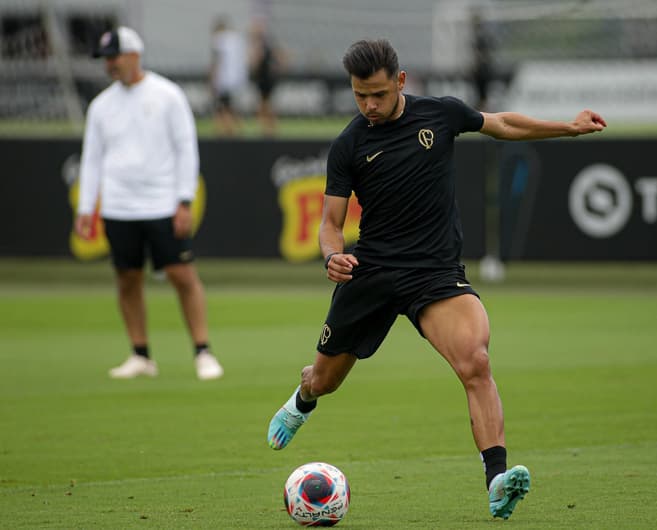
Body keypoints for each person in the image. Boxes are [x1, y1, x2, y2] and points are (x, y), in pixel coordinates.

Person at [267, 39, 606, 519]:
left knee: (475, 361)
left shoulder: (441, 115)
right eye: (360, 95)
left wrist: (567, 128)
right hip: (372, 273)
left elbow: (502, 123)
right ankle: (302, 399)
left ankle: (497, 480)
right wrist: (331, 256)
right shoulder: (349, 143)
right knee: (325, 380)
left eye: (379, 95)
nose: (369, 105)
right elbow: (330, 223)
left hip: (434, 274)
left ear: (401, 82)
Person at [76, 26, 224, 381]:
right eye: (106, 59)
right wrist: (85, 208)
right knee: (127, 277)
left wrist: (183, 200)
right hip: (118, 206)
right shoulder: (100, 106)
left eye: (115, 57)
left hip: (161, 202)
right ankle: (140, 353)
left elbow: (185, 148)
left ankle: (203, 351)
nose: (110, 64)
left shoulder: (167, 95)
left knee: (181, 274)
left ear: (134, 55)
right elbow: (92, 159)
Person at [209, 16, 248, 136]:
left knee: (223, 107)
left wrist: (212, 79)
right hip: (237, 80)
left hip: (224, 80)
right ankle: (237, 130)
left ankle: (226, 131)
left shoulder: (219, 40)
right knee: (231, 106)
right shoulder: (236, 39)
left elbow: (217, 62)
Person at [248, 17, 284, 136]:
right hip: (267, 79)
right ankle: (269, 128)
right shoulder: (268, 43)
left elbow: (256, 61)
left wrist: (252, 69)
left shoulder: (261, 45)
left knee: (265, 106)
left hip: (264, 79)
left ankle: (268, 129)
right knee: (266, 105)